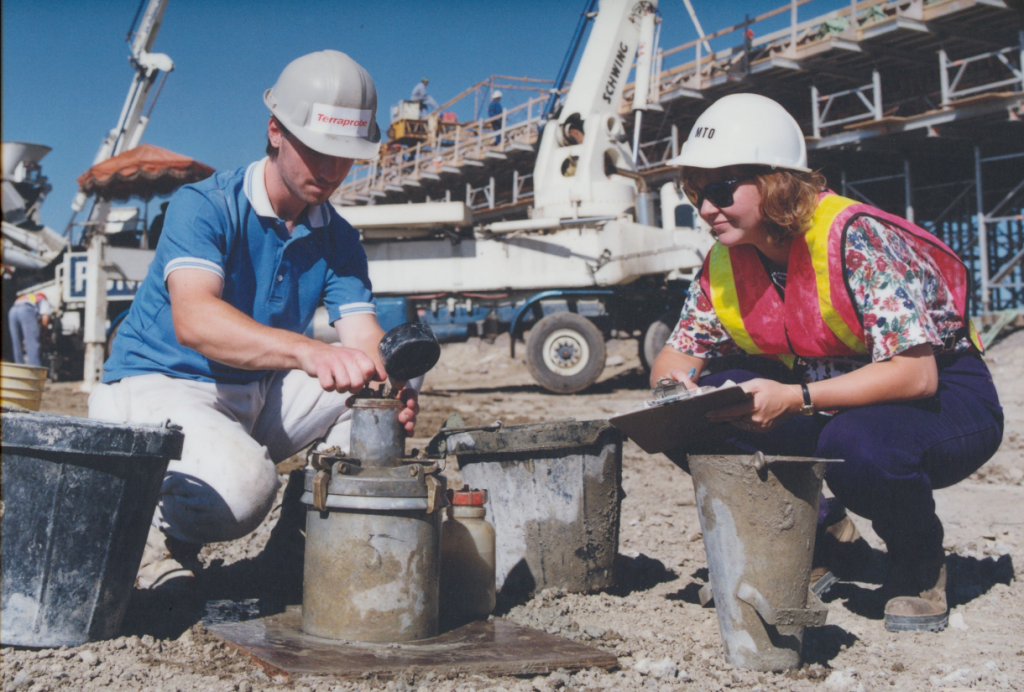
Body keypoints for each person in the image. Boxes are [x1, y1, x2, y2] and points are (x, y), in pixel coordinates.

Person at [652, 93, 1003, 633]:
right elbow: (676, 356)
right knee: (691, 413)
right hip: (824, 390)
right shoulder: (727, 258)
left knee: (856, 444)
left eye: (721, 190)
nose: (704, 209)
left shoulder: (855, 238)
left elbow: (917, 374)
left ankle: (918, 563)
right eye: (697, 192)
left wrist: (795, 399)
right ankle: (822, 538)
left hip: (944, 397)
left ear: (774, 182)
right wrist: (674, 391)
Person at [89, 50, 419, 591]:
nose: (333, 170)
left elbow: (364, 337)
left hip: (251, 393)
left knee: (390, 368)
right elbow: (195, 321)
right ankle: (145, 528)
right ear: (275, 131)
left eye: (346, 156)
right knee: (244, 492)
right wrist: (308, 351)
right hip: (157, 385)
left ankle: (303, 540)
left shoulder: (339, 237)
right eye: (319, 150)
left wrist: (394, 386)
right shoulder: (206, 206)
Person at [8, 292, 51, 366]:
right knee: (32, 343)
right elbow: (45, 320)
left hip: (12, 311)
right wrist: (43, 337)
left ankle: (19, 370)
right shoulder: (43, 300)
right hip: (26, 311)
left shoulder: (28, 297)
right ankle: (35, 372)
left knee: (16, 343)